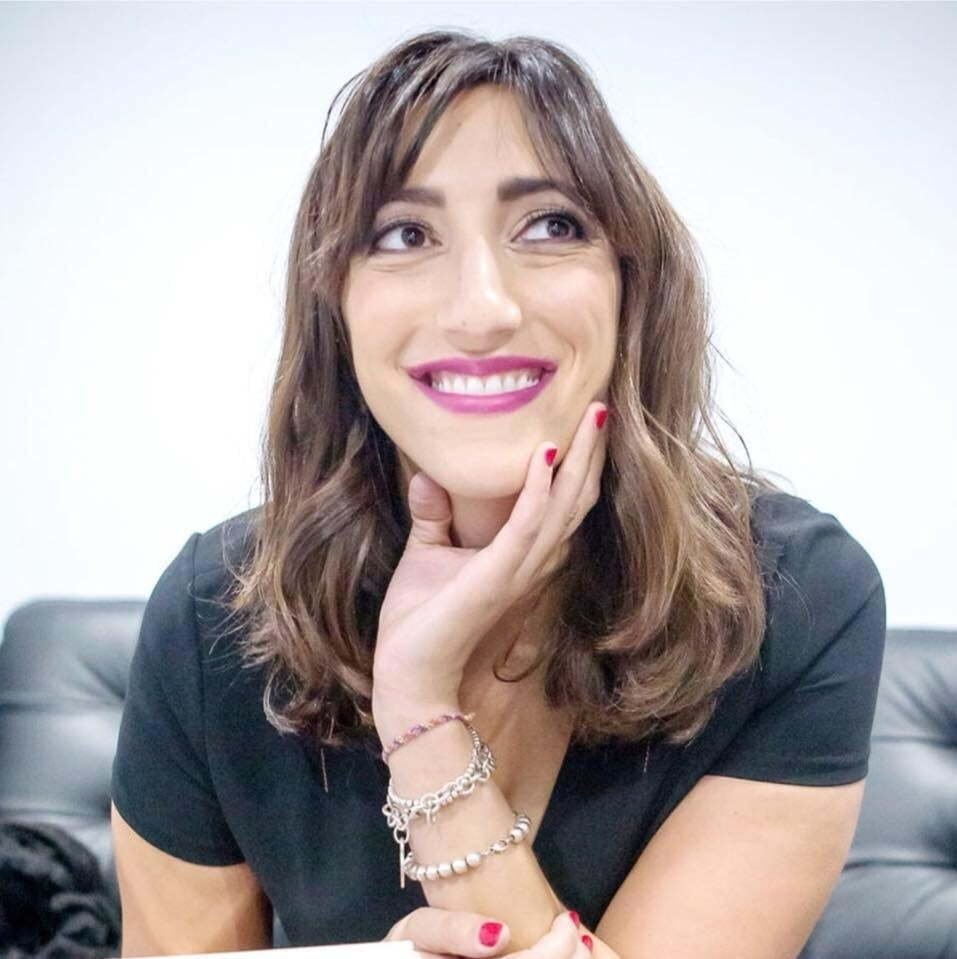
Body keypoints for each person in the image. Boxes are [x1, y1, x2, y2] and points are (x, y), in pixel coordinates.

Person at [109, 29, 886, 959]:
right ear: (336, 309)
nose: (481, 308)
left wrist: (421, 712)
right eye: (404, 235)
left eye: (549, 226)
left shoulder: (794, 600)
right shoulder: (213, 613)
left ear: (629, 285)